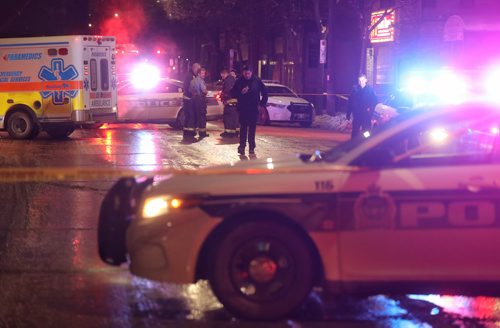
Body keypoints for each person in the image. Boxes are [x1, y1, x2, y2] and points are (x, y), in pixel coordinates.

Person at [231, 65, 268, 155]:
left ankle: (252, 147)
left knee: (252, 128)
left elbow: (265, 93)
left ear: (251, 73)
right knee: (243, 128)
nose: (247, 75)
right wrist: (241, 92)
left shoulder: (257, 81)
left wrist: (262, 104)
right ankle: (242, 147)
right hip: (243, 108)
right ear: (243, 73)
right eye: (245, 73)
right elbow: (232, 93)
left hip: (253, 108)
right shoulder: (239, 81)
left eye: (248, 73)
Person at [346, 74, 378, 139]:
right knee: (355, 129)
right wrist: (348, 113)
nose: (361, 82)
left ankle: (366, 142)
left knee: (366, 130)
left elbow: (374, 101)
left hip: (366, 114)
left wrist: (370, 109)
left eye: (362, 80)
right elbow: (350, 101)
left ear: (366, 80)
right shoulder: (355, 89)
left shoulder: (370, 90)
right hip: (357, 113)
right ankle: (353, 143)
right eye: (360, 81)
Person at [182, 62, 201, 140]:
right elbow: (189, 88)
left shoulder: (190, 75)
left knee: (188, 117)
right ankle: (190, 133)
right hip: (189, 99)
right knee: (191, 116)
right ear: (195, 68)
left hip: (188, 99)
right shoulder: (190, 76)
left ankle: (187, 132)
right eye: (198, 69)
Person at [189, 67, 209, 139]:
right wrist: (206, 92)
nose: (204, 75)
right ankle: (202, 133)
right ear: (199, 74)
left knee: (194, 116)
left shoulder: (192, 81)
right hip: (200, 100)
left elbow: (190, 90)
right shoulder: (201, 81)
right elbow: (204, 90)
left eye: (204, 73)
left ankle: (193, 132)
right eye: (202, 73)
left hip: (193, 100)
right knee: (202, 116)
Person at [219, 68, 238, 138]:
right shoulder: (232, 79)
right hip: (234, 103)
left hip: (229, 102)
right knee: (233, 118)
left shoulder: (228, 80)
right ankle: (233, 132)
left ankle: (229, 133)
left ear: (224, 74)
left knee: (228, 118)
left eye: (222, 75)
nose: (222, 77)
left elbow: (228, 90)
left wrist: (223, 95)